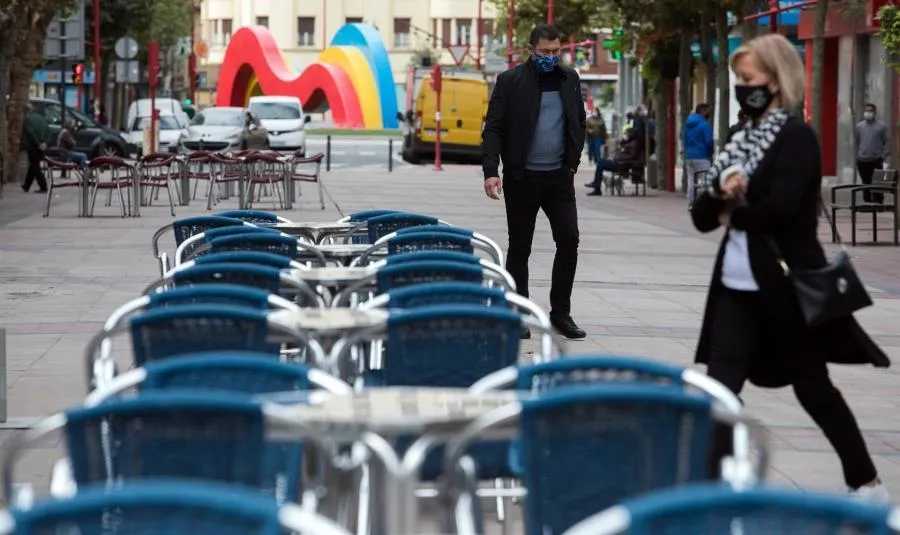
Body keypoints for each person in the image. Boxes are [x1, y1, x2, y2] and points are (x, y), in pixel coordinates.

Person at [691, 33, 890, 503]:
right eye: (739, 80)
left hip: (785, 288)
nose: (743, 88)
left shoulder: (796, 138)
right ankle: (709, 490)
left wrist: (734, 209)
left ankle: (866, 484)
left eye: (749, 79)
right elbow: (702, 217)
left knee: (813, 388)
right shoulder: (740, 140)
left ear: (777, 82)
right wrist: (720, 195)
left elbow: (781, 209)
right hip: (735, 288)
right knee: (719, 390)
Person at [482, 23, 587, 340]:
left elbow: (578, 122)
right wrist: (491, 170)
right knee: (520, 248)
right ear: (531, 50)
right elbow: (494, 128)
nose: (550, 57)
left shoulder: (570, 79)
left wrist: (572, 163)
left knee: (569, 240)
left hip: (559, 179)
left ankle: (561, 313)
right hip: (522, 178)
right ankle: (519, 315)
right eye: (544, 51)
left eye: (556, 51)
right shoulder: (510, 81)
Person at [855, 103, 890, 205]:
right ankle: (867, 201)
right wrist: (858, 156)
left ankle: (878, 201)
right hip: (862, 159)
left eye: (870, 111)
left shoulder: (881, 127)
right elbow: (857, 141)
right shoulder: (859, 127)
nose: (868, 113)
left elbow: (886, 142)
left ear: (875, 112)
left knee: (877, 182)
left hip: (876, 159)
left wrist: (885, 157)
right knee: (865, 182)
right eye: (866, 111)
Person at [683, 103, 714, 206]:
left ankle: (691, 201)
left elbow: (685, 140)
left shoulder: (688, 124)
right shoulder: (705, 125)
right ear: (703, 111)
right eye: (707, 111)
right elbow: (709, 142)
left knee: (691, 179)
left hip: (689, 156)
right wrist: (710, 153)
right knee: (704, 180)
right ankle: (702, 203)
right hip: (702, 156)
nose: (709, 113)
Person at [20, 103, 49, 193]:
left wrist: (38, 143)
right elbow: (48, 131)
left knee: (35, 166)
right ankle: (26, 185)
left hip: (33, 145)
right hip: (42, 145)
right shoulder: (42, 119)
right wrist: (45, 142)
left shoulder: (27, 120)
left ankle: (43, 186)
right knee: (34, 165)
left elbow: (30, 133)